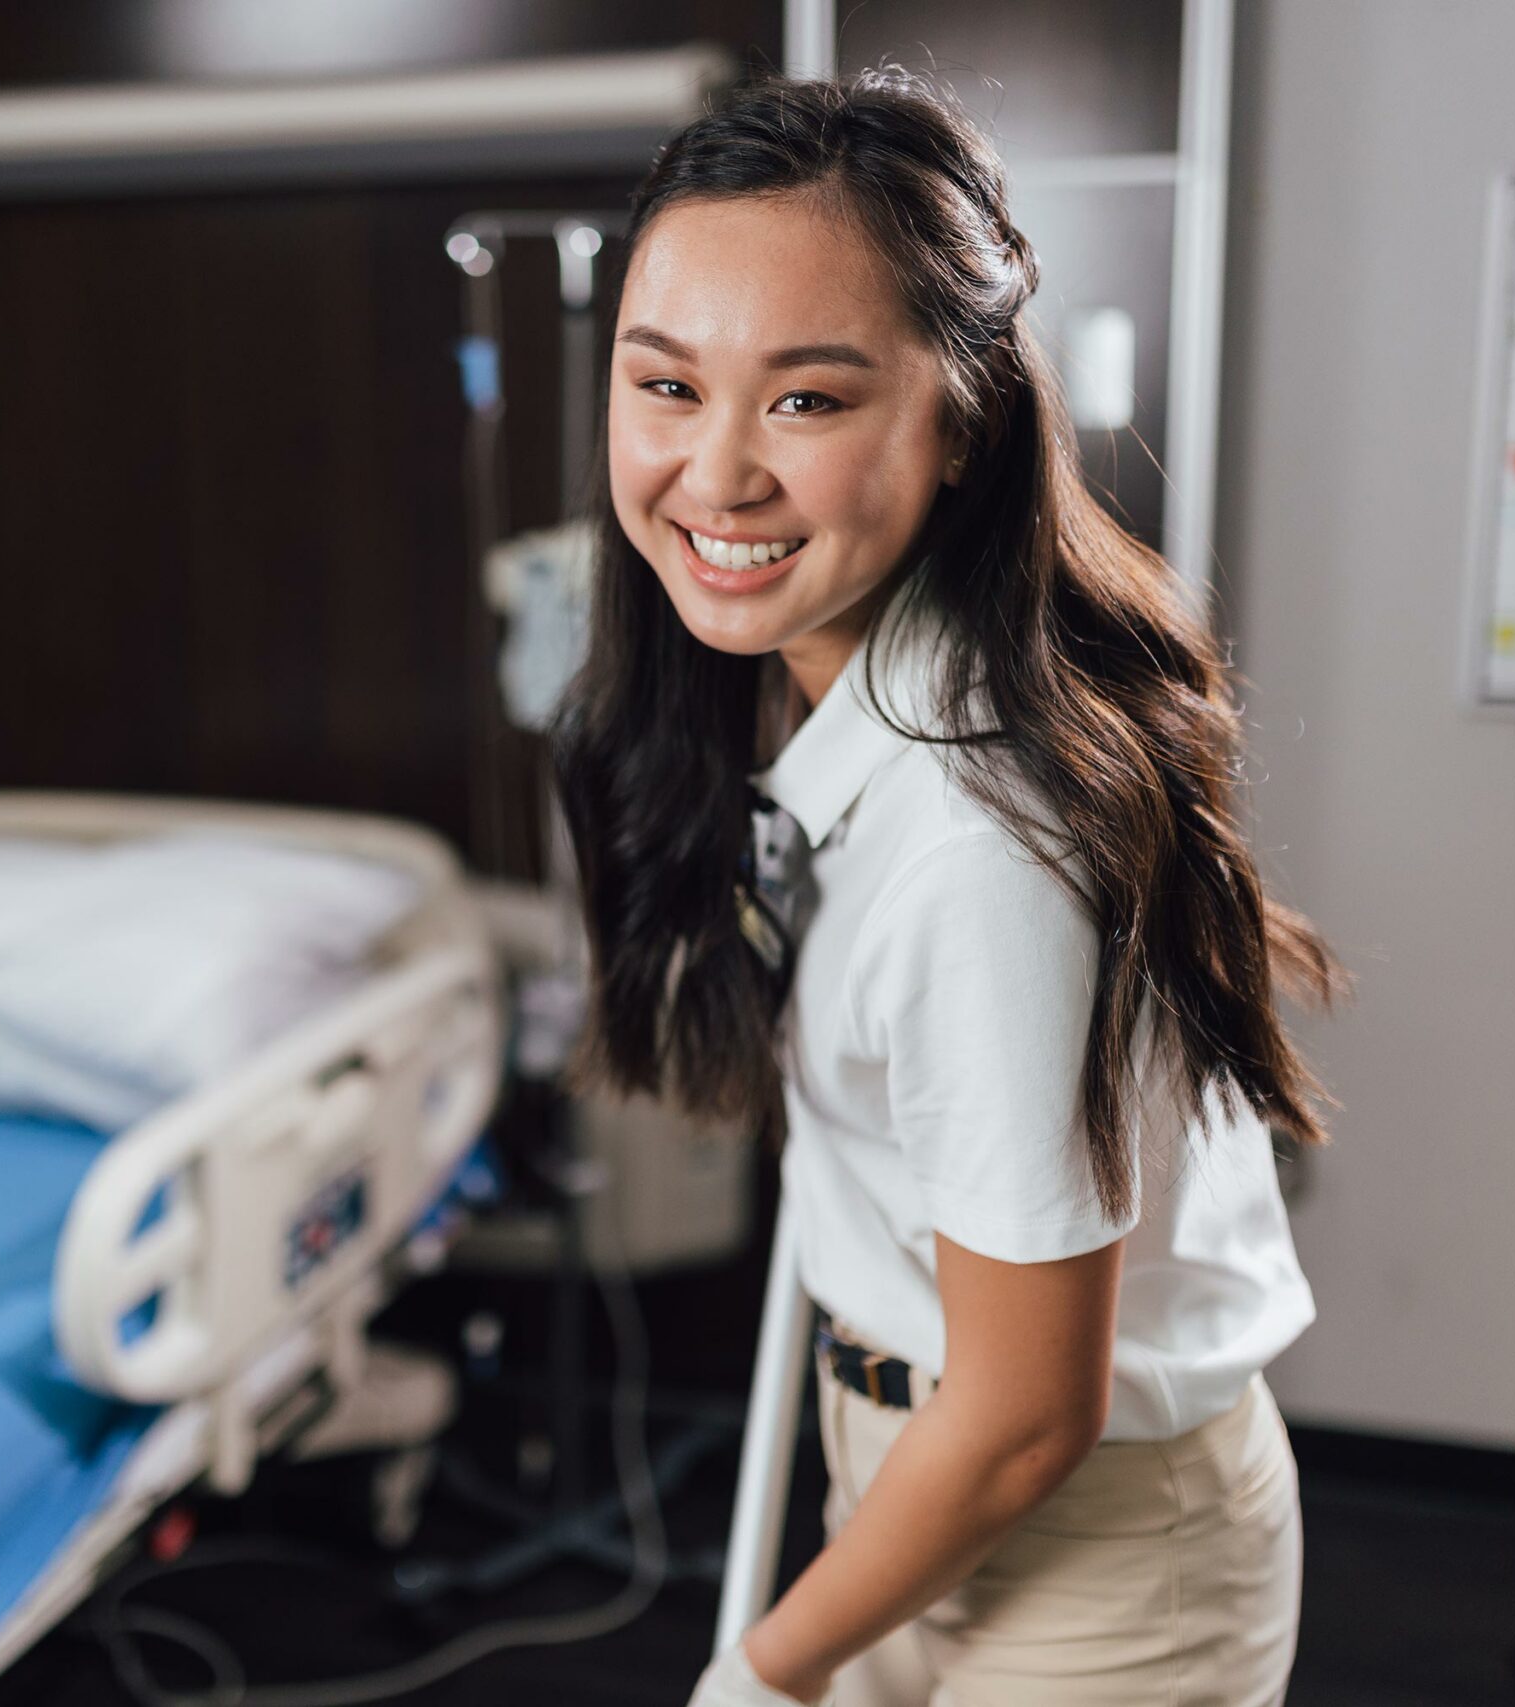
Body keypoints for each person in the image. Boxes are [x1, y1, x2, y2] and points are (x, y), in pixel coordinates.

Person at [552, 70, 1344, 1707]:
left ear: (961, 421)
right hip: (914, 1471)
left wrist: (764, 1670)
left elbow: (1027, 1418)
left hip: (1090, 1543)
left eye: (808, 401)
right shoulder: (825, 693)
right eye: (665, 384)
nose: (715, 474)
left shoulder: (985, 848)